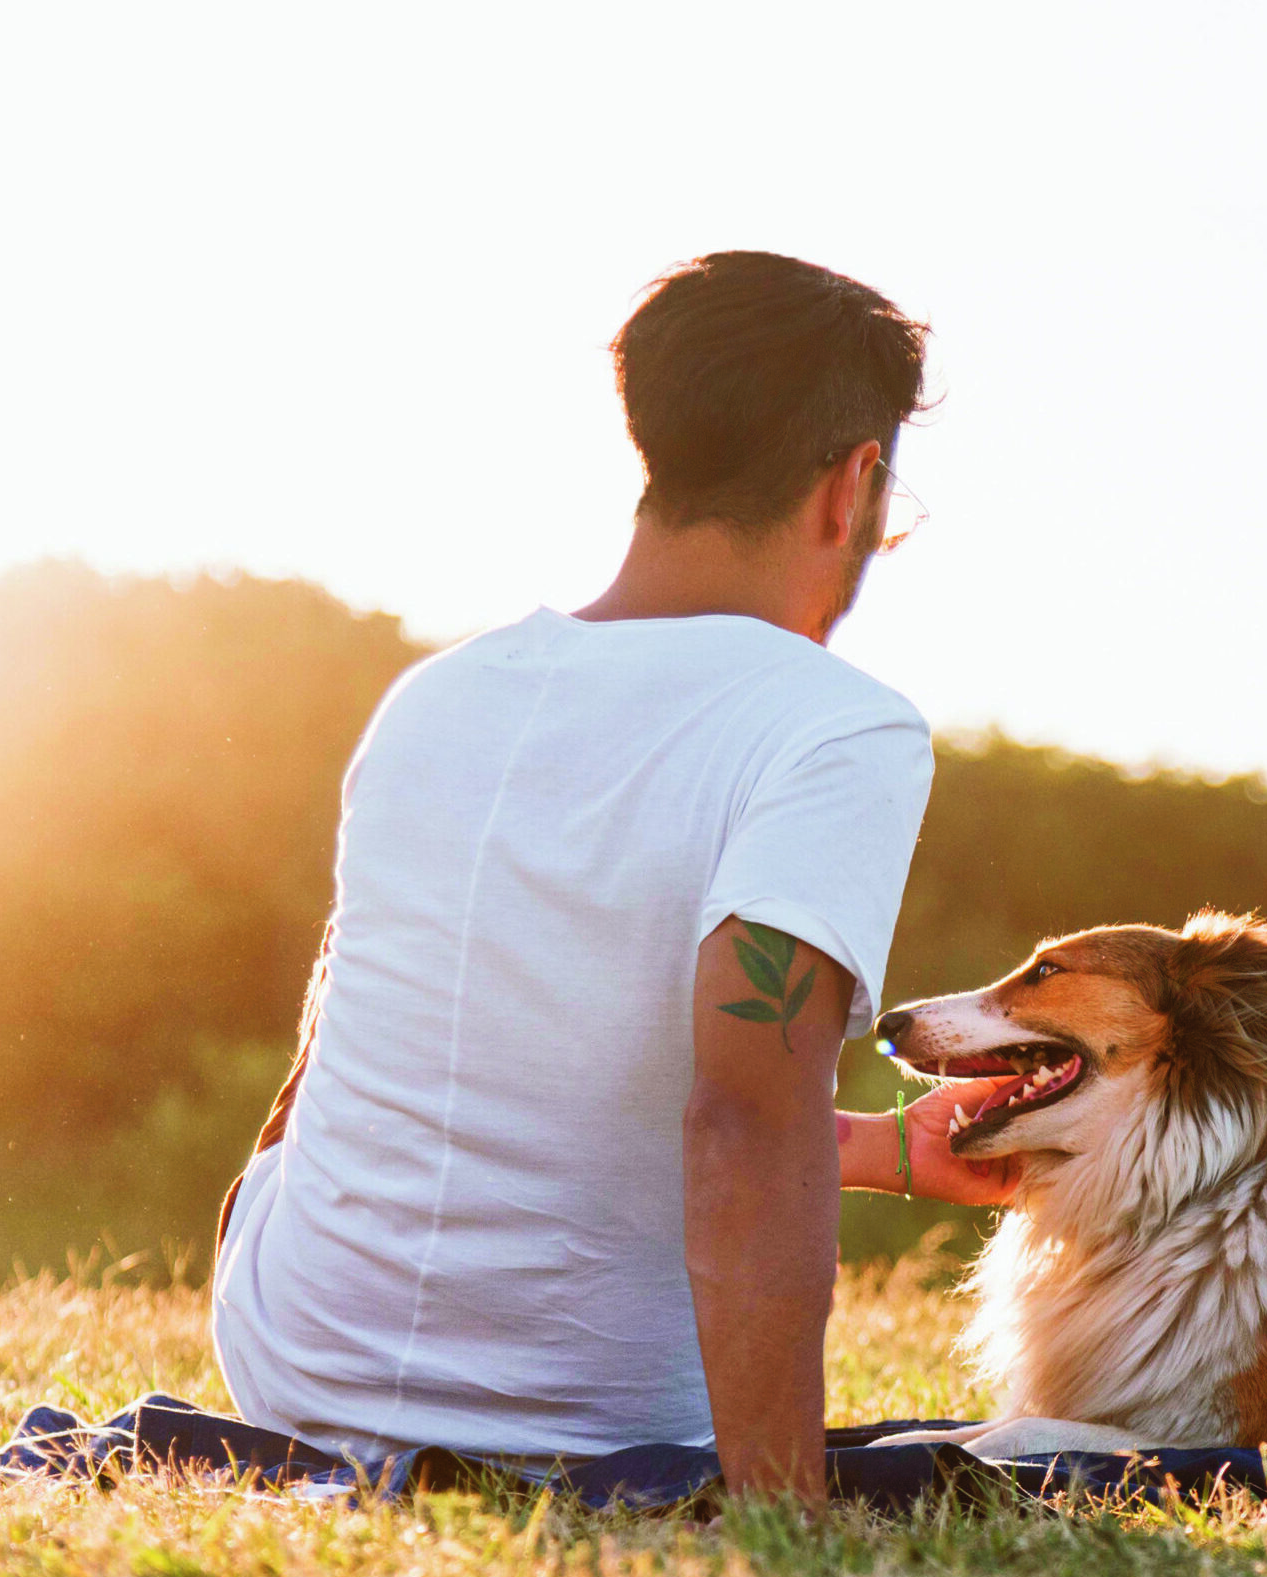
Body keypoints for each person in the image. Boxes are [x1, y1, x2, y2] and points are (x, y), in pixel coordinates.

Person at [211, 251, 1011, 1502]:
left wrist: (878, 1148)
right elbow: (742, 1115)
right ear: (852, 484)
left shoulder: (435, 695)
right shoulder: (837, 725)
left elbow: (351, 1071)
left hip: (290, 1369)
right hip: (591, 1419)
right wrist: (784, 1509)